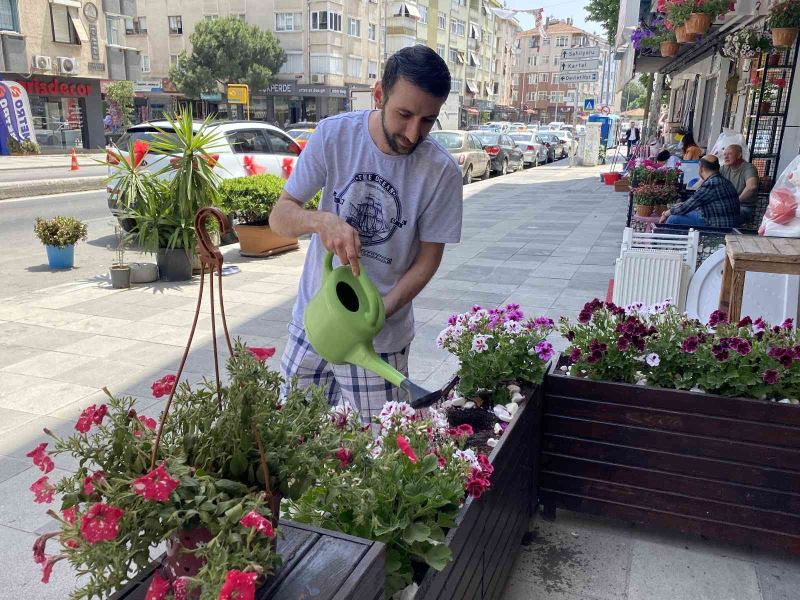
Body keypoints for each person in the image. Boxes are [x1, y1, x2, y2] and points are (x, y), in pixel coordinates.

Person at [269, 45, 463, 421]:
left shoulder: (442, 172)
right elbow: (281, 216)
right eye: (404, 114)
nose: (412, 133)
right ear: (379, 95)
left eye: (427, 120)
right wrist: (321, 221)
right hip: (314, 321)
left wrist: (376, 315)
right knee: (287, 439)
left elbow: (428, 260)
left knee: (381, 456)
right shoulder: (334, 135)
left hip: (381, 341)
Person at [660, 155, 740, 228]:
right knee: (680, 211)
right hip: (727, 223)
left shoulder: (711, 184)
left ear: (701, 168)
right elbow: (692, 203)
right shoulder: (725, 181)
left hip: (717, 226)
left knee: (673, 219)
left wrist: (666, 213)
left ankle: (666, 242)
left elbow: (686, 207)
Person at [721, 144, 759, 224]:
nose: (726, 157)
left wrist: (735, 202)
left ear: (739, 155)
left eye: (730, 154)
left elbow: (752, 187)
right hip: (728, 206)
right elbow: (709, 176)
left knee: (723, 216)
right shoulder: (724, 168)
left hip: (744, 207)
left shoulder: (748, 168)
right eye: (724, 154)